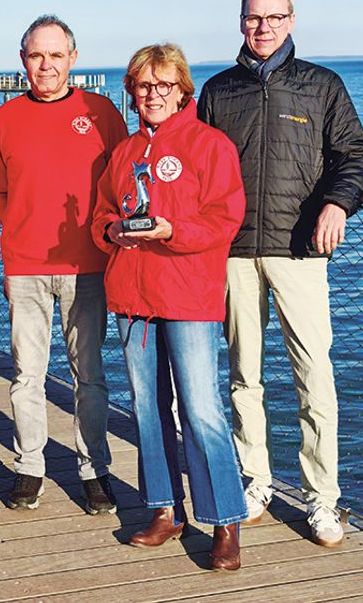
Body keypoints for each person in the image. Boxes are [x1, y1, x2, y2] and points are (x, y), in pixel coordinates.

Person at [198, 0, 363, 547]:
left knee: (313, 375)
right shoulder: (218, 91)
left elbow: (356, 155)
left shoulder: (323, 86)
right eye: (255, 17)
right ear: (241, 21)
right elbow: (198, 170)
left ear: (291, 20)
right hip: (233, 253)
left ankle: (323, 498)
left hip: (300, 251)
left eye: (275, 17)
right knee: (243, 375)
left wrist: (336, 203)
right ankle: (256, 481)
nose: (264, 27)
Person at [92, 43, 248, 570]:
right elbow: (101, 216)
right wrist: (112, 231)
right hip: (133, 295)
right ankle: (164, 508)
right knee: (146, 406)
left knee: (201, 409)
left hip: (188, 293)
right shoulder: (124, 152)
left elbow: (224, 219)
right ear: (132, 92)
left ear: (183, 91)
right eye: (143, 86)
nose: (153, 95)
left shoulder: (210, 144)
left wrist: (172, 230)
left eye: (164, 85)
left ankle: (225, 519)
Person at [0, 14, 128, 513]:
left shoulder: (100, 111)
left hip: (87, 265)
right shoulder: (4, 119)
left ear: (73, 58)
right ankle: (30, 466)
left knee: (89, 375)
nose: (45, 65)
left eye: (55, 55)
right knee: (27, 374)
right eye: (36, 55)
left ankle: (94, 469)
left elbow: (124, 180)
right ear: (23, 59)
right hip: (25, 266)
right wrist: (23, 227)